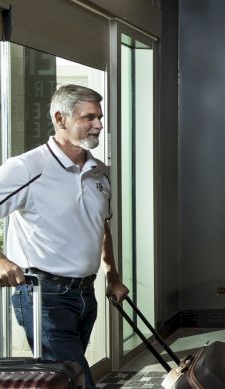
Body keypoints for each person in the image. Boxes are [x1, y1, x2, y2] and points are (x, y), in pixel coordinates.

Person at [0, 84, 129, 389]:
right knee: (76, 381)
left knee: (63, 380)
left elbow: (100, 226)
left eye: (99, 117)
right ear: (60, 119)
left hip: (85, 294)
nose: (98, 125)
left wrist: (112, 276)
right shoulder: (27, 167)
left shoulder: (99, 171)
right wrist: (1, 261)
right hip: (43, 296)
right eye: (89, 117)